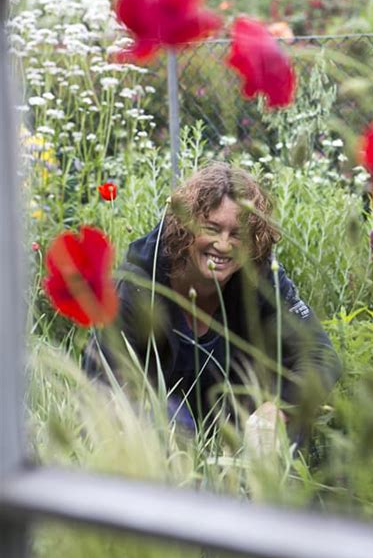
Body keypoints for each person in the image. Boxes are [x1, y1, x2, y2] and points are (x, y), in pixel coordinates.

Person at [84, 162, 341, 440]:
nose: (223, 244)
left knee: (292, 416)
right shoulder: (136, 286)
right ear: (185, 226)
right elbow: (101, 388)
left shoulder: (260, 276)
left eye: (237, 235)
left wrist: (279, 408)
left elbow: (321, 355)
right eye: (212, 228)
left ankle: (270, 482)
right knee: (172, 420)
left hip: (239, 423)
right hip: (159, 434)